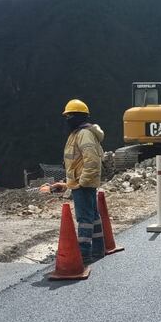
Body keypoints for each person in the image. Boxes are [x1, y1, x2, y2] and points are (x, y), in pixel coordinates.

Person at [62, 98, 105, 263]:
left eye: (70, 116)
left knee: (84, 219)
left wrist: (82, 182)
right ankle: (98, 249)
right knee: (93, 216)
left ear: (79, 116)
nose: (68, 119)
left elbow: (92, 161)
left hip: (82, 184)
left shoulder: (84, 134)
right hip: (80, 183)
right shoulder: (78, 133)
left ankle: (84, 253)